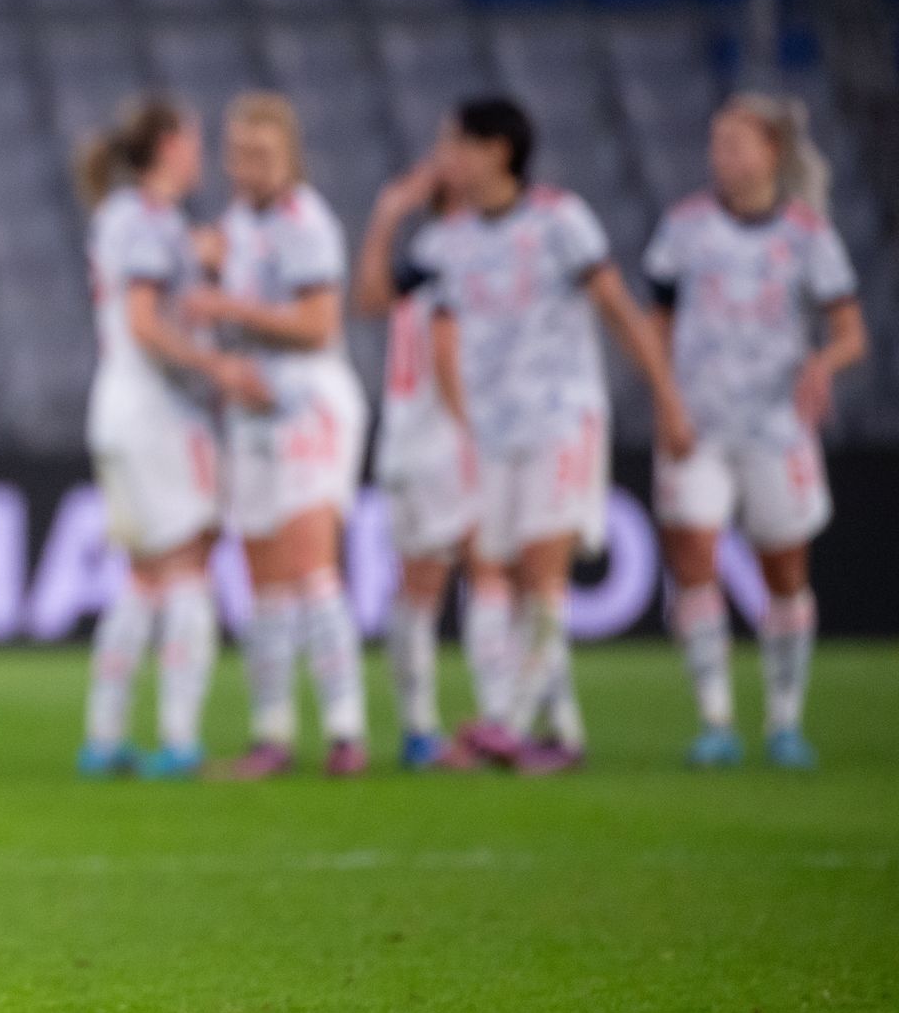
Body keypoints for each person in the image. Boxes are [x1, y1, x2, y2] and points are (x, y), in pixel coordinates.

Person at [414, 97, 696, 774]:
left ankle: (506, 726)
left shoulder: (560, 221)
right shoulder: (450, 241)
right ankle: (562, 733)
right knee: (515, 579)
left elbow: (618, 309)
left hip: (560, 419)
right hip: (494, 429)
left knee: (543, 574)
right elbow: (423, 322)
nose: (444, 158)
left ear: (496, 151)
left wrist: (667, 396)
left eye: (455, 144)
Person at [645, 94, 866, 769]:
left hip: (776, 426)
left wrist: (823, 364)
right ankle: (715, 718)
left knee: (785, 569)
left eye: (736, 145)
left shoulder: (806, 233)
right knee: (693, 555)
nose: (723, 158)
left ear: (772, 153)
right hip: (697, 423)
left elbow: (850, 331)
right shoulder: (685, 227)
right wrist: (665, 401)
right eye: (717, 146)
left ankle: (784, 719)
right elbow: (656, 325)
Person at [72, 97, 268, 779]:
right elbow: (145, 320)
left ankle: (104, 736)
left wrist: (198, 253)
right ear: (168, 147)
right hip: (157, 413)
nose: (202, 156)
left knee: (145, 574)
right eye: (194, 141)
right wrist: (218, 367)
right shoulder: (150, 221)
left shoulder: (121, 216)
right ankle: (180, 737)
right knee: (188, 565)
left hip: (117, 407)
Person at [192, 94, 370, 779]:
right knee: (262, 581)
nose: (247, 167)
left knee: (311, 569)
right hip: (251, 411)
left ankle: (345, 729)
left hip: (307, 408)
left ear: (290, 155)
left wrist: (226, 303)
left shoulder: (307, 223)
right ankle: (272, 733)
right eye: (238, 153)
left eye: (261, 153)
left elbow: (318, 325)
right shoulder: (235, 225)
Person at [356, 161, 517, 769]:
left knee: (417, 590)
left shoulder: (418, 263)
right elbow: (449, 352)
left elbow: (369, 298)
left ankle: (420, 729)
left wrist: (386, 214)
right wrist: (477, 433)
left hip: (402, 440)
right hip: (448, 440)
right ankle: (500, 718)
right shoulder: (460, 258)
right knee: (488, 571)